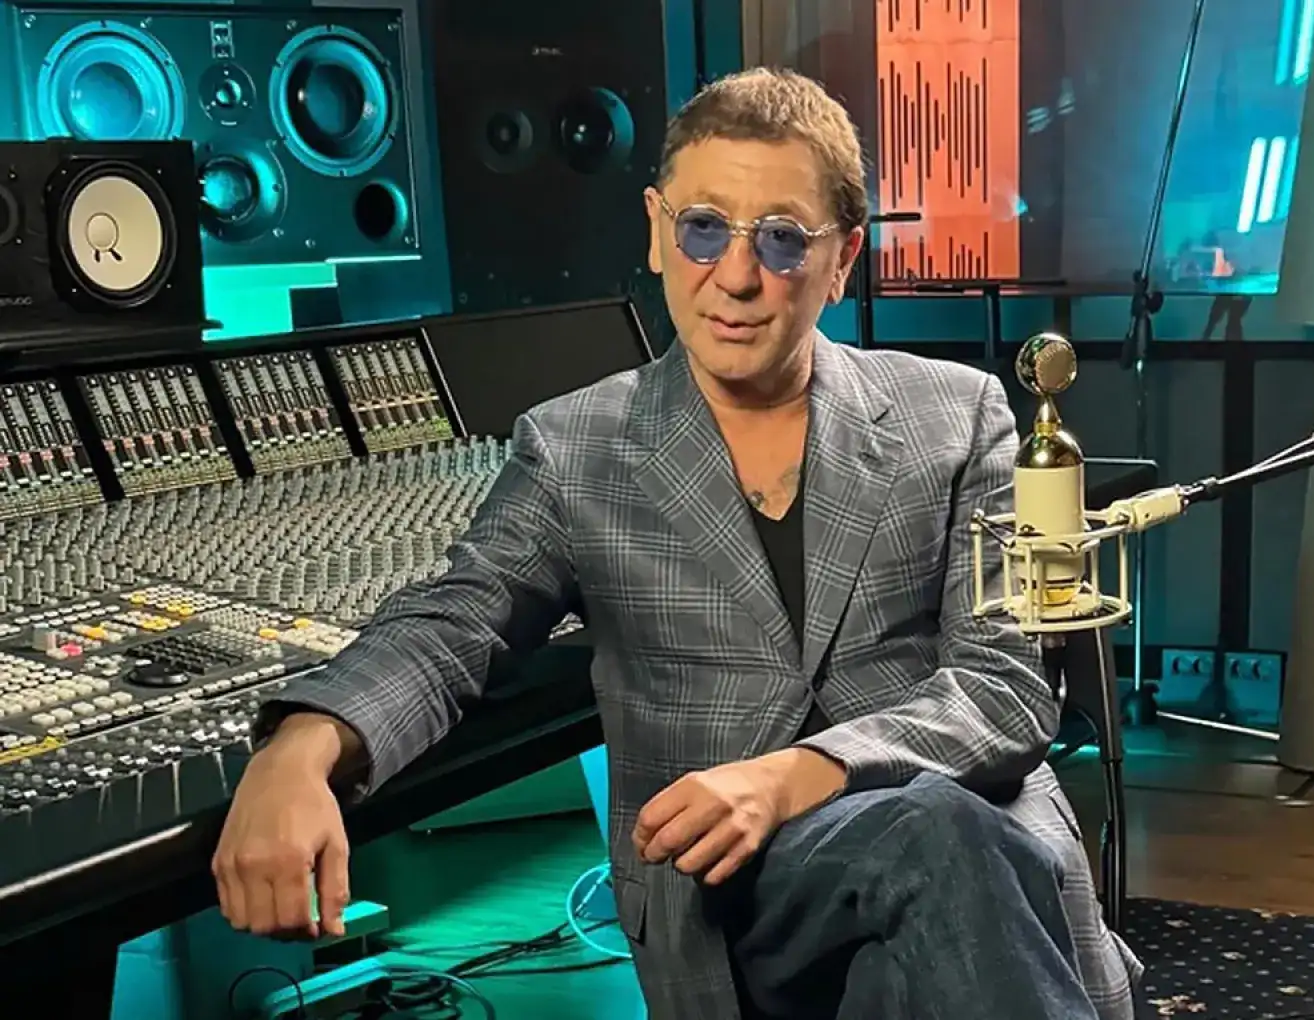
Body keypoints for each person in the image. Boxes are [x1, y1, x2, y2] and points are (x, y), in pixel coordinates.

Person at [211, 67, 1141, 1019]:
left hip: (962, 865)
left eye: (782, 239)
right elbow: (456, 624)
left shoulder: (957, 413)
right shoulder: (575, 447)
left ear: (843, 258)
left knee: (931, 862)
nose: (734, 277)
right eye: (704, 228)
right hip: (737, 902)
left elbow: (1003, 687)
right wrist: (301, 748)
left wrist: (796, 775)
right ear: (657, 231)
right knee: (934, 852)